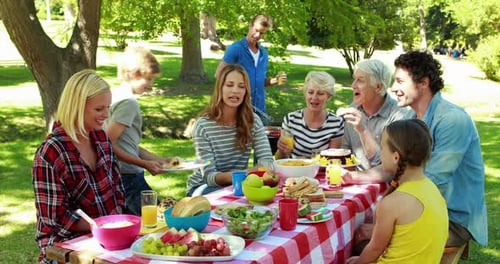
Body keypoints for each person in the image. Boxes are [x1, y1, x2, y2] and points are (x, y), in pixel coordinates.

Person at [345, 51, 488, 248]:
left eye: (400, 81)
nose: (393, 88)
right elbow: (394, 165)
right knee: (353, 233)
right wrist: (353, 177)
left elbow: (433, 180)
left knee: (365, 244)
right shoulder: (411, 119)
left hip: (452, 219)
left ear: (423, 82)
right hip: (423, 206)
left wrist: (384, 226)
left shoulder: (452, 119)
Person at [32, 69, 125, 264]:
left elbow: (116, 187)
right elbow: (55, 218)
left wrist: (118, 226)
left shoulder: (101, 138)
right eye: (99, 109)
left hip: (108, 240)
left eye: (108, 108)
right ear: (76, 107)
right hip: (64, 247)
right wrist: (102, 225)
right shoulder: (50, 152)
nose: (106, 115)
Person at [346, 119, 448, 263]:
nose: (381, 154)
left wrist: (358, 262)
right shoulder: (432, 189)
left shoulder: (392, 203)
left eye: (382, 148)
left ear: (395, 157)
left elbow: (375, 248)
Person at [104, 46, 176, 215]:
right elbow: (106, 143)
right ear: (133, 73)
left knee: (161, 213)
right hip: (128, 177)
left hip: (124, 176)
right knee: (162, 218)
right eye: (148, 78)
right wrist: (144, 164)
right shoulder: (129, 103)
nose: (151, 85)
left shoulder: (115, 97)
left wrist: (159, 160)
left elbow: (127, 144)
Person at [186, 64, 274, 196]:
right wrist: (246, 174)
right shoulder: (203, 125)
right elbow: (209, 176)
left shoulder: (253, 120)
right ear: (220, 89)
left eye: (241, 86)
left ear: (246, 92)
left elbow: (266, 161)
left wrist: (252, 174)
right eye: (229, 85)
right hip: (204, 187)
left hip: (241, 183)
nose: (235, 91)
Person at [215, 14, 287, 125]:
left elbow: (259, 82)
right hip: (239, 110)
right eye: (256, 30)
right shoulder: (236, 49)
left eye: (262, 33)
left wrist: (275, 80)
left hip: (260, 111)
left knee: (262, 142)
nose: (258, 35)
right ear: (250, 26)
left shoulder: (264, 54)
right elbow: (219, 74)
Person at [338, 59, 408, 170]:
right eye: (354, 80)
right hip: (355, 182)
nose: (353, 85)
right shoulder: (353, 110)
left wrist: (363, 130)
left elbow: (388, 167)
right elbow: (345, 154)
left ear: (378, 87)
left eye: (360, 80)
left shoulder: (398, 116)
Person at [275, 71, 344, 159]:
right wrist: (282, 150)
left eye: (320, 93)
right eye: (310, 92)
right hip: (294, 170)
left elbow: (333, 162)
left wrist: (308, 163)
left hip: (322, 172)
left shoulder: (336, 123)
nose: (314, 98)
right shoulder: (291, 120)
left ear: (329, 97)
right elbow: (280, 160)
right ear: (305, 94)